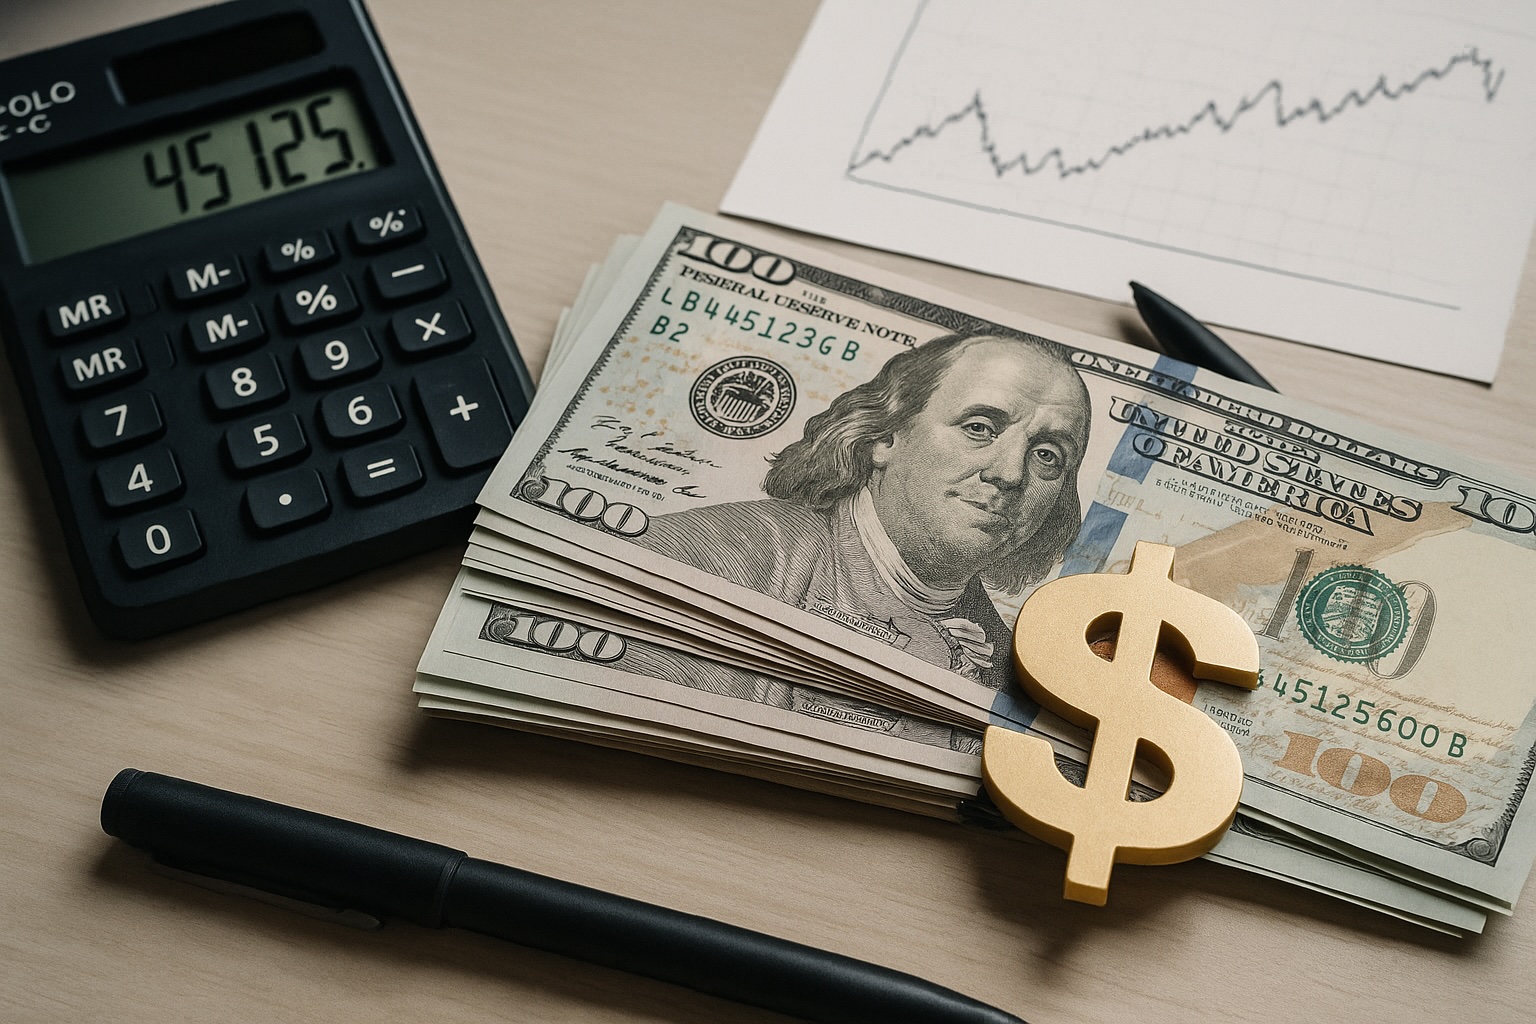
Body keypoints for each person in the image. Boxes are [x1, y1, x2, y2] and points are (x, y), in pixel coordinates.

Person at [636, 329, 1092, 690]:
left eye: (1047, 454)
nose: (1010, 474)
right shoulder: (694, 558)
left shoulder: (1008, 667)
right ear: (886, 437)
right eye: (979, 427)